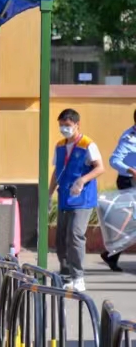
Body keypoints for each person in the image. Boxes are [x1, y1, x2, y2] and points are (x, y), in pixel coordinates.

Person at [48, 108, 105, 292]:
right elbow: (57, 171)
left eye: (67, 125)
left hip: (83, 198)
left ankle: (78, 277)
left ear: (77, 124)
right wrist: (49, 193)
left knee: (75, 234)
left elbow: (100, 167)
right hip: (65, 197)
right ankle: (66, 272)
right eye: (61, 125)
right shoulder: (59, 145)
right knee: (61, 237)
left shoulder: (88, 144)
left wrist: (82, 180)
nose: (63, 128)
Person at [101, 110, 136, 272]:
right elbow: (114, 160)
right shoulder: (129, 138)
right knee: (131, 221)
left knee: (131, 223)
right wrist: (131, 170)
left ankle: (111, 255)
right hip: (129, 181)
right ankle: (111, 254)